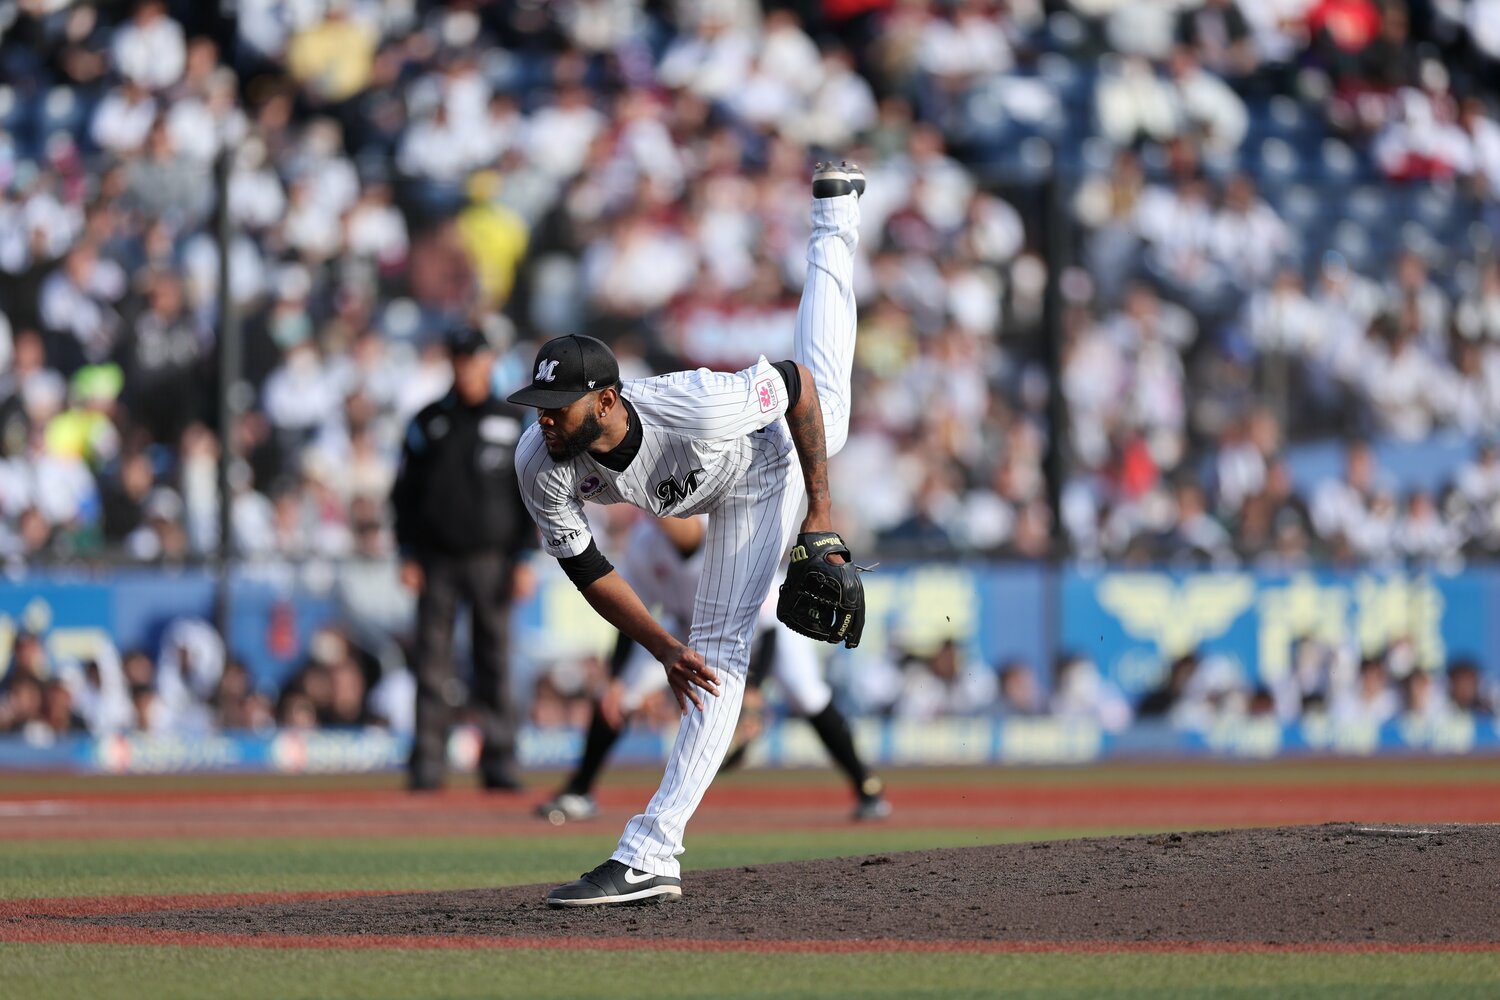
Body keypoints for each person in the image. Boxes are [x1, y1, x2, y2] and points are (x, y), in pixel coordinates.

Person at [508, 163, 864, 908]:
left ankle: (835, 218)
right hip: (717, 490)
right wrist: (662, 648)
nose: (545, 417)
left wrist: (820, 515)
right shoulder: (540, 459)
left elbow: (795, 387)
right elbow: (587, 567)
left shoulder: (696, 403)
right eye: (539, 401)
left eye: (559, 404)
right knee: (702, 652)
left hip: (771, 457)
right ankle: (650, 853)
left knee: (828, 392)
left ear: (607, 400)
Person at [535, 514, 890, 828]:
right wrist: (614, 678)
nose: (665, 513)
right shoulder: (644, 543)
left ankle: (866, 787)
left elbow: (767, 627)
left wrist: (754, 691)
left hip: (760, 628)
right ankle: (580, 790)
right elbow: (631, 613)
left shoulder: (730, 534)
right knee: (617, 696)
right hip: (686, 628)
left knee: (806, 694)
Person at [390, 326, 536, 792]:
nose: (468, 367)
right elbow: (404, 495)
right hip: (436, 559)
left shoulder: (514, 421)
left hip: (494, 559)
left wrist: (525, 558)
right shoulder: (427, 421)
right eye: (460, 358)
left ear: (490, 362)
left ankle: (499, 759)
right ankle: (428, 761)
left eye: (475, 358)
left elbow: (532, 494)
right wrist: (407, 552)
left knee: (494, 659)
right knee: (432, 661)